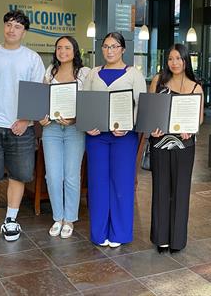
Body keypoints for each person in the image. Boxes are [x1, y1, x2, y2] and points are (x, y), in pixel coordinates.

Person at [0, 9, 45, 244]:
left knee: (18, 175)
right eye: (9, 24)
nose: (12, 29)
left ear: (24, 32)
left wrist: (25, 120)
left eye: (18, 26)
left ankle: (11, 220)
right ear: (4, 27)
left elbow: (38, 94)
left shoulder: (32, 58)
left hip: (21, 127)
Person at [83, 32, 146, 248]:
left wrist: (129, 126)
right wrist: (87, 123)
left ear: (123, 49)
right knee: (98, 184)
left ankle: (119, 233)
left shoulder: (133, 74)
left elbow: (141, 105)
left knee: (122, 184)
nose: (110, 51)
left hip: (124, 138)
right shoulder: (93, 74)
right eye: (106, 46)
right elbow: (86, 103)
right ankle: (99, 233)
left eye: (114, 46)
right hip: (97, 138)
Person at [149, 43, 204, 253]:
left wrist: (191, 129)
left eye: (179, 59)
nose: (175, 63)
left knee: (181, 191)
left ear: (185, 61)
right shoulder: (158, 82)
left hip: (184, 144)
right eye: (171, 59)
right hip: (160, 143)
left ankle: (177, 240)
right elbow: (151, 111)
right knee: (161, 189)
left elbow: (198, 119)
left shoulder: (195, 86)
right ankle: (161, 238)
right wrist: (152, 128)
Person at [39, 36, 90, 239]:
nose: (63, 51)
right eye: (59, 48)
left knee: (71, 175)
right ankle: (57, 217)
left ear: (75, 50)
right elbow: (42, 100)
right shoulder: (50, 71)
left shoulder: (84, 73)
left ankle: (69, 218)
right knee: (52, 175)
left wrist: (76, 119)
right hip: (51, 129)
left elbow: (89, 102)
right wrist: (41, 118)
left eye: (67, 47)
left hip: (74, 130)